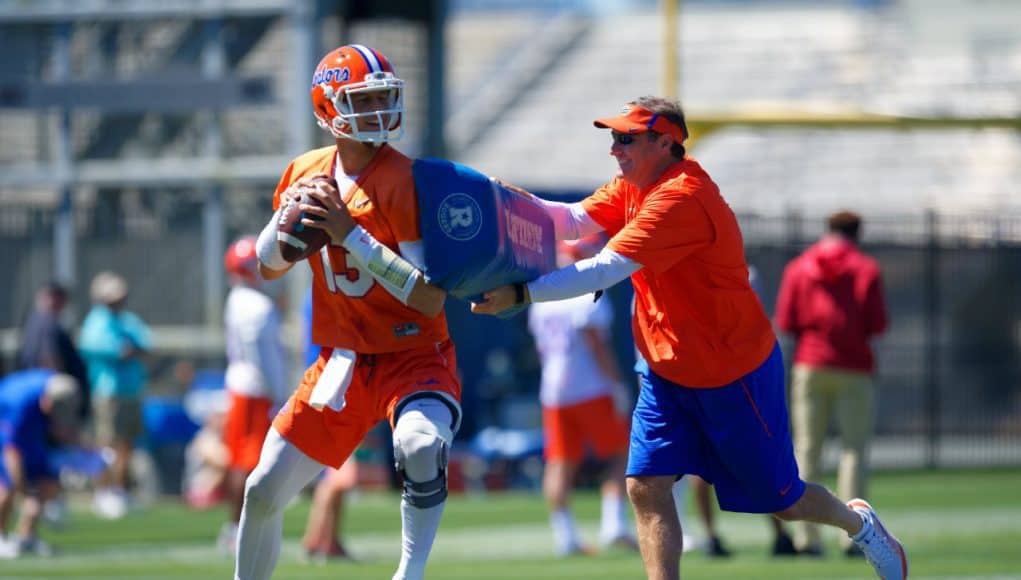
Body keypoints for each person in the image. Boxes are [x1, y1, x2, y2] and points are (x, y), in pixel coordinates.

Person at [471, 96, 908, 580]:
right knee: (644, 485)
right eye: (613, 137)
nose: (615, 149)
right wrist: (503, 202)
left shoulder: (681, 196)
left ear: (665, 141)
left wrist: (520, 293)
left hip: (731, 371)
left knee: (782, 501)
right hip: (665, 368)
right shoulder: (632, 185)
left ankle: (858, 523)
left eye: (626, 138)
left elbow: (603, 270)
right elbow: (572, 220)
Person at [236, 44, 462, 580]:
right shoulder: (305, 171)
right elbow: (269, 268)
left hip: (413, 353)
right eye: (366, 99)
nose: (381, 109)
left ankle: (410, 573)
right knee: (262, 489)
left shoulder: (407, 180)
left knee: (421, 445)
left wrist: (349, 234)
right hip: (342, 361)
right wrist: (285, 222)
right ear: (327, 109)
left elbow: (430, 297)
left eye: (385, 96)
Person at [775, 210, 890, 557]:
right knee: (854, 452)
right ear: (857, 234)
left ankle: (806, 538)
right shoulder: (866, 268)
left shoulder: (799, 267)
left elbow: (786, 320)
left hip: (810, 364)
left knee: (807, 449)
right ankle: (854, 536)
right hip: (854, 368)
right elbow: (878, 324)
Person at [526, 234, 637, 557]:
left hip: (553, 389)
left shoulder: (544, 294)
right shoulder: (586, 291)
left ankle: (566, 535)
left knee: (560, 462)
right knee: (622, 453)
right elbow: (596, 344)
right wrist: (617, 384)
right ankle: (613, 523)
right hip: (589, 385)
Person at [215, 236, 291, 554]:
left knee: (243, 462)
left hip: (242, 388)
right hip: (256, 393)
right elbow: (266, 360)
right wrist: (280, 396)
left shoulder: (238, 299)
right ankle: (236, 528)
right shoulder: (257, 307)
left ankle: (237, 527)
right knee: (248, 464)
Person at [79, 271, 152, 520]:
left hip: (131, 391)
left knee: (127, 445)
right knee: (107, 444)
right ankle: (104, 491)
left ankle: (121, 490)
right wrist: (127, 350)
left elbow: (144, 345)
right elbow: (112, 350)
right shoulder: (96, 322)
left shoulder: (128, 320)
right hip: (108, 392)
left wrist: (132, 350)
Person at [298, 288, 359, 562]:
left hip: (329, 385)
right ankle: (315, 540)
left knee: (334, 470)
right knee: (340, 474)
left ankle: (328, 540)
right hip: (332, 387)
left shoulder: (315, 296)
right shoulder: (329, 296)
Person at [0, 370, 82, 558]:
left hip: (30, 432)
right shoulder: (19, 403)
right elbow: (12, 452)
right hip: (4, 427)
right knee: (7, 486)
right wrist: (22, 491)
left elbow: (59, 427)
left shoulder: (59, 385)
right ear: (46, 399)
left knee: (49, 481)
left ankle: (26, 536)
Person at [16, 282, 90, 420]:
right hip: (52, 395)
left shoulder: (37, 320)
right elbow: (48, 357)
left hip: (45, 392)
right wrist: (59, 387)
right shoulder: (45, 322)